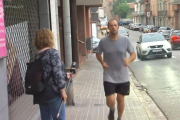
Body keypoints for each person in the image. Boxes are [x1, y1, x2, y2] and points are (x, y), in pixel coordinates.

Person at [96, 19, 136, 120]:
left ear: (118, 27)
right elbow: (98, 54)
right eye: (111, 26)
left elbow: (133, 54)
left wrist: (128, 60)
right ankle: (112, 109)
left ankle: (119, 118)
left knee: (121, 99)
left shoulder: (125, 40)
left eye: (115, 25)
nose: (113, 27)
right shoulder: (103, 41)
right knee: (110, 100)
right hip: (109, 75)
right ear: (108, 28)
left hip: (123, 76)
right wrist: (102, 62)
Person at [33, 28, 69, 120]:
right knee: (60, 118)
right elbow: (57, 73)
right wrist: (62, 90)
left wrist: (64, 75)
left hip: (41, 93)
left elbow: (46, 74)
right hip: (53, 92)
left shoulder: (38, 55)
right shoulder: (53, 53)